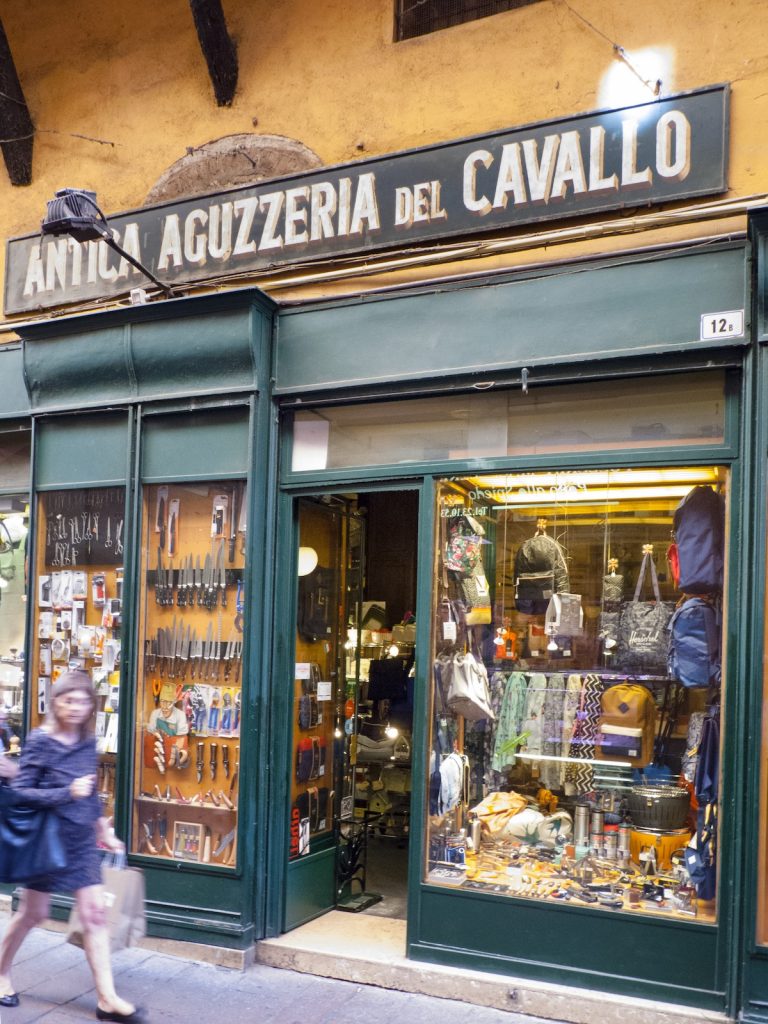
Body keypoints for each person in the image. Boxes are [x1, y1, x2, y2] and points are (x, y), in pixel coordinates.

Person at [0, 670, 144, 1022]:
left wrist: (103, 830)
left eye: (83, 701)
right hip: (47, 841)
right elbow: (21, 792)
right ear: (55, 703)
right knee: (33, 914)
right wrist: (67, 792)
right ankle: (1, 973)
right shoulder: (39, 740)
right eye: (68, 700)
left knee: (95, 917)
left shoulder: (86, 740)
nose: (76, 707)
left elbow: (90, 792)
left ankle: (107, 999)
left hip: (80, 842)